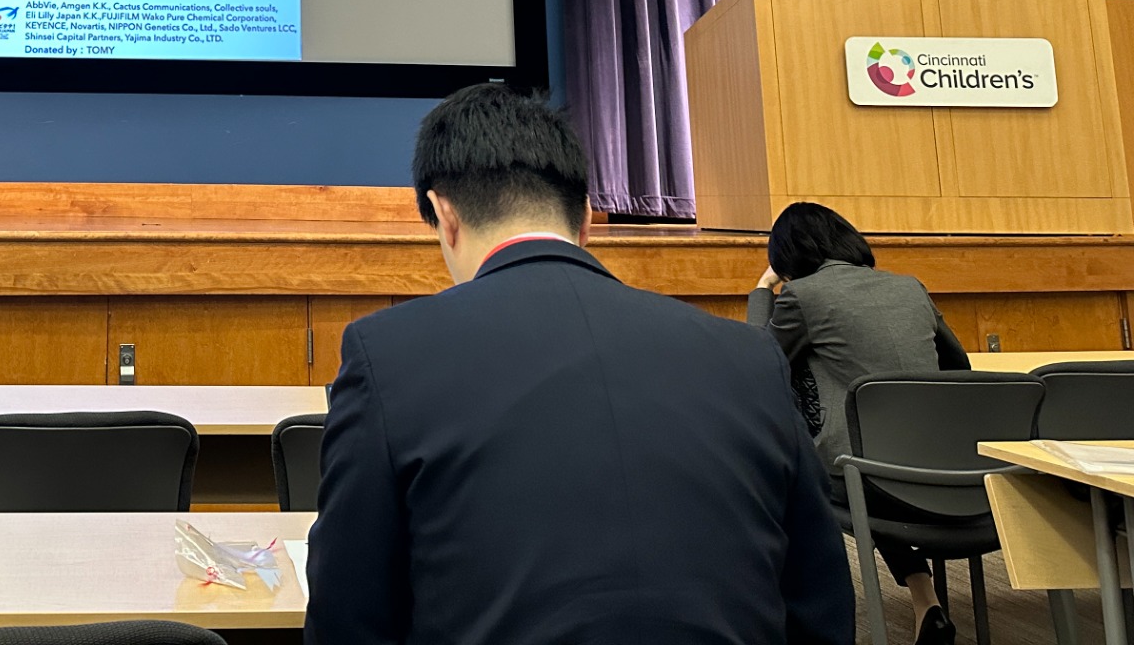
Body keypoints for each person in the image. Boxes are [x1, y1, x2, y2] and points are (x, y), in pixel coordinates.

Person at [306, 85, 852, 645]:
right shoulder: (749, 357)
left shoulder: (387, 354)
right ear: (587, 218)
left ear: (444, 215)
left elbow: (348, 612)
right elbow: (820, 599)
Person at [750, 203, 970, 645]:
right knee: (866, 463)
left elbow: (756, 363)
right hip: (945, 475)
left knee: (800, 473)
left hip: (865, 477)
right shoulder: (910, 287)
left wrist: (762, 288)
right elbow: (959, 366)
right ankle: (926, 602)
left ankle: (796, 621)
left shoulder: (802, 296)